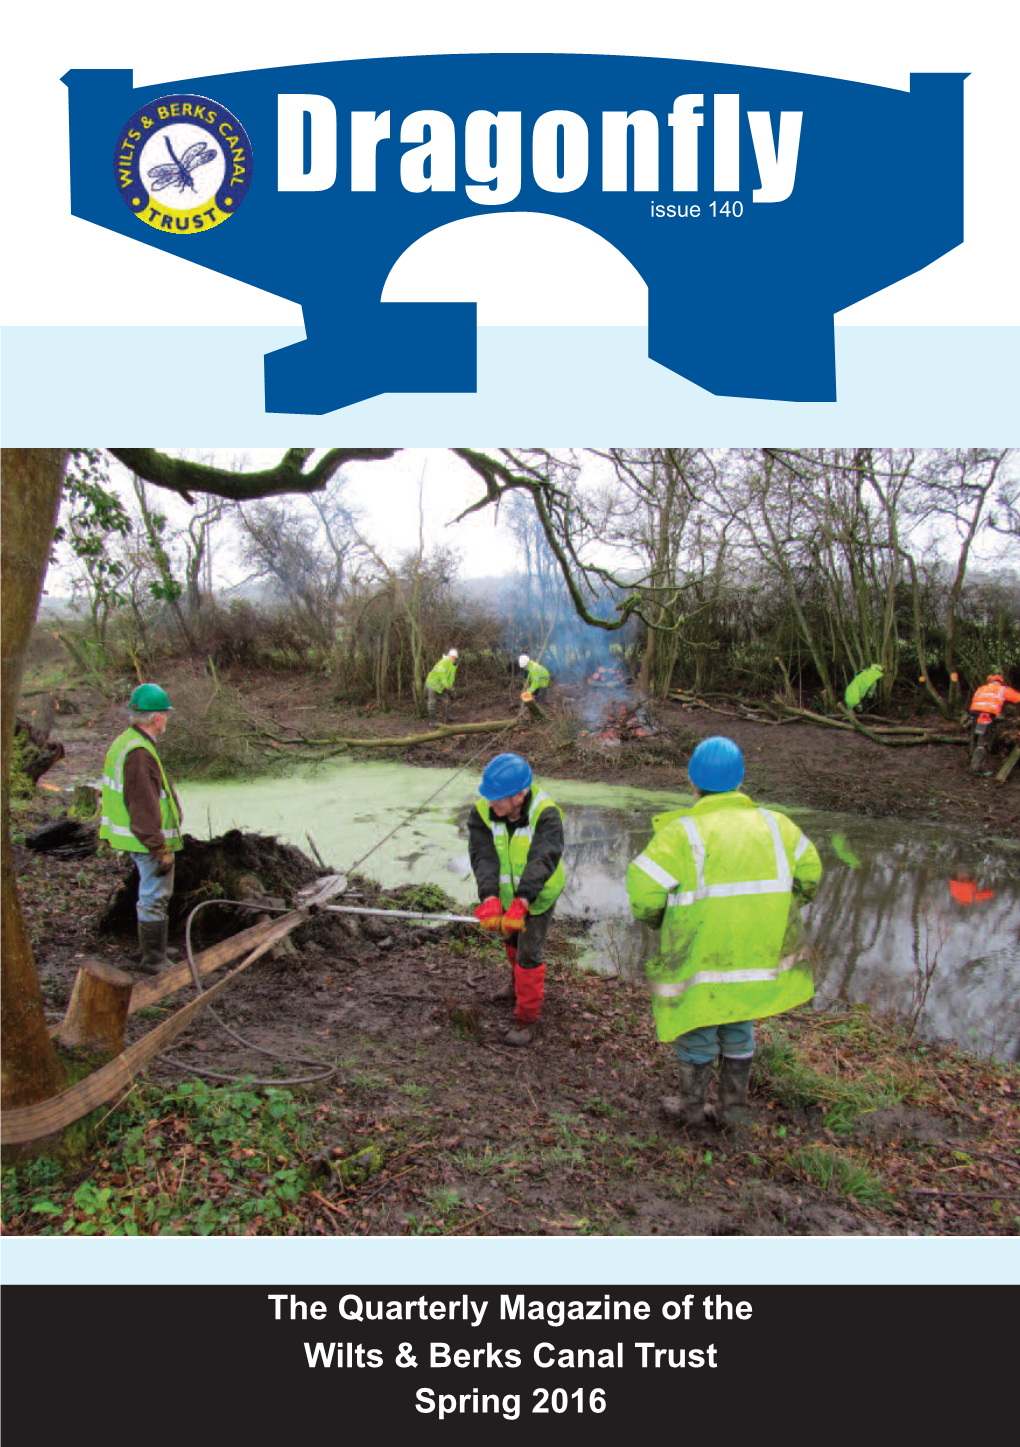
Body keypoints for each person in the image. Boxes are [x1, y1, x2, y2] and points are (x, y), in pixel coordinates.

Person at [627, 735, 822, 1127]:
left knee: (698, 1028)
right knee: (739, 1024)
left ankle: (692, 1110)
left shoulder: (681, 834)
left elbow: (644, 891)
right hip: (756, 955)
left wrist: (659, 921)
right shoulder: (776, 825)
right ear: (740, 779)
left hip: (700, 954)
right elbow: (810, 875)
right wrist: (778, 909)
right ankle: (733, 1112)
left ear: (692, 781)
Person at [468, 752, 565, 1046]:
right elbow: (483, 856)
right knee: (510, 942)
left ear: (520, 795)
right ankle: (514, 987)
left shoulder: (545, 813)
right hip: (506, 896)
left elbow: (542, 859)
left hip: (537, 896)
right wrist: (489, 897)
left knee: (528, 954)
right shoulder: (483, 813)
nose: (491, 804)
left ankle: (527, 1019)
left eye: (498, 798)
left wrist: (523, 901)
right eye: (489, 797)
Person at [99, 683, 184, 974]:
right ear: (157, 718)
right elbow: (143, 804)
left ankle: (156, 948)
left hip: (137, 838)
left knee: (152, 893)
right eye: (166, 715)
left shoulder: (128, 741)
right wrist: (159, 847)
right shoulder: (138, 752)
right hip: (146, 841)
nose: (167, 720)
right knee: (155, 896)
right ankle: (154, 959)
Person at [425, 647, 459, 724]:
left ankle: (448, 716)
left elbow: (450, 678)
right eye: (453, 657)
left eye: (455, 657)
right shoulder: (444, 662)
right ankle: (433, 720)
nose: (454, 659)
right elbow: (442, 675)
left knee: (446, 701)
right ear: (449, 656)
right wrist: (447, 686)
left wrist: (450, 688)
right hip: (432, 684)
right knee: (432, 702)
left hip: (441, 686)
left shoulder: (453, 665)